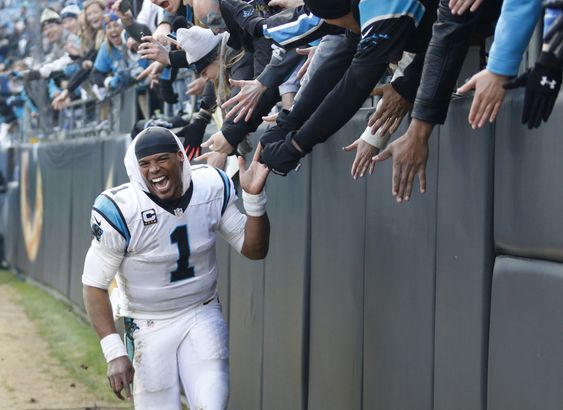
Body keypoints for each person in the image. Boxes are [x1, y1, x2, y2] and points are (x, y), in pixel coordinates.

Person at [82, 126, 270, 409]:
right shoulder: (122, 209)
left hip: (201, 312)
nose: (154, 169)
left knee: (212, 404)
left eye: (162, 159)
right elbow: (94, 284)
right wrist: (113, 352)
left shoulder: (210, 186)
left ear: (180, 157)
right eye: (145, 163)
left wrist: (254, 200)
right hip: (147, 324)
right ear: (135, 168)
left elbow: (254, 249)